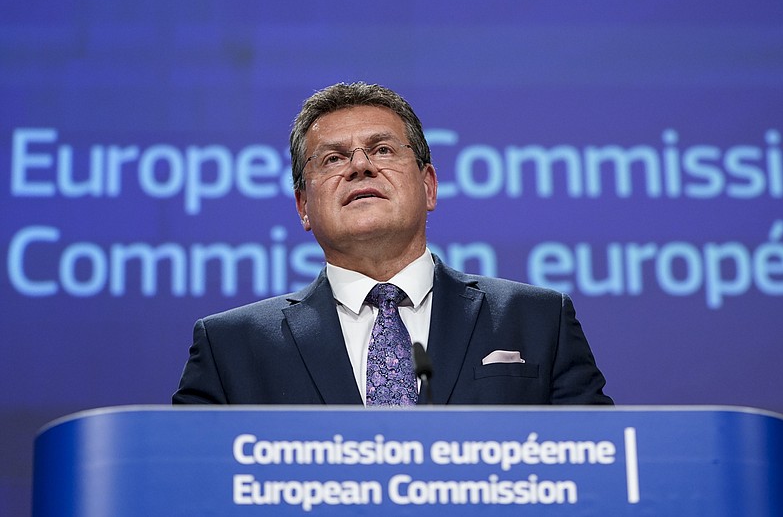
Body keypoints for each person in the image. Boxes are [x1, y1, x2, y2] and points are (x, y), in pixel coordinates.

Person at [172, 82, 612, 406]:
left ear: (429, 186)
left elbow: (598, 470)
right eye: (333, 158)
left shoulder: (537, 320)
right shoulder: (230, 347)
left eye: (382, 150)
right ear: (303, 206)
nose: (360, 166)